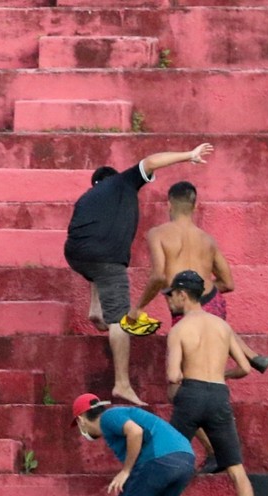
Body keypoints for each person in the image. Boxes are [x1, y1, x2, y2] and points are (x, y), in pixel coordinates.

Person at [64, 143, 214, 406]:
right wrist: (188, 155)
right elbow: (151, 161)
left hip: (76, 255)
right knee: (120, 319)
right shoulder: (122, 183)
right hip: (106, 258)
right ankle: (122, 383)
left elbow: (89, 244)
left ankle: (95, 309)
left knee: (100, 268)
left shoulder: (87, 198)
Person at [163, 270, 268, 496]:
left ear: (182, 294)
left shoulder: (179, 329)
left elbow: (172, 375)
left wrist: (189, 377)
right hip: (217, 395)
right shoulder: (222, 326)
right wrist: (218, 375)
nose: (169, 301)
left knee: (170, 460)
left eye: (171, 296)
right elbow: (243, 368)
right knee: (235, 466)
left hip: (190, 395)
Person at [127, 180, 268, 373]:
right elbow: (228, 283)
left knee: (187, 370)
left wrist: (138, 307)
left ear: (168, 204)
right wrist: (200, 292)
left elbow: (159, 276)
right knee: (210, 360)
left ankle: (247, 358)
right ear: (195, 206)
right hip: (212, 301)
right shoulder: (207, 239)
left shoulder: (158, 234)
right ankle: (250, 356)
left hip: (184, 306)